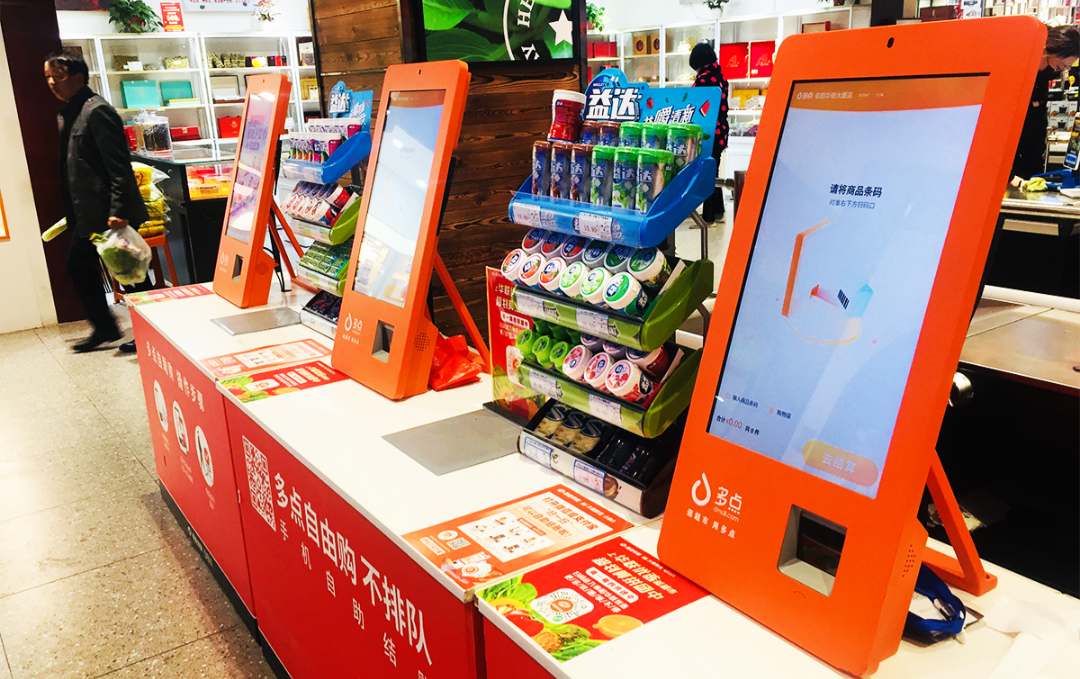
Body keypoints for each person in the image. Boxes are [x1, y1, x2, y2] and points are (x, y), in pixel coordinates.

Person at [45, 50, 149, 353]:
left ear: (79, 77)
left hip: (107, 211)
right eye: (48, 77)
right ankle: (106, 327)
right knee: (101, 268)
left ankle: (149, 330)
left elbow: (119, 166)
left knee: (131, 273)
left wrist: (119, 210)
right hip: (88, 212)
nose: (51, 83)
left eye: (58, 76)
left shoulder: (97, 111)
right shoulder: (69, 113)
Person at [1011, 25, 1080, 182]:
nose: (1058, 71)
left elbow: (1037, 129)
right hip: (1006, 169)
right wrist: (1009, 176)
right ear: (1045, 52)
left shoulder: (1041, 80)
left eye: (1065, 68)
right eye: (1059, 66)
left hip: (1025, 168)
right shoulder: (1015, 75)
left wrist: (1036, 176)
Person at [690, 41, 729, 223]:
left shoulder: (703, 79)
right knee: (714, 169)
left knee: (707, 172)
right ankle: (718, 210)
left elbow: (696, 106)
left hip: (708, 132)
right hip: (720, 131)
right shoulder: (721, 76)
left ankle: (708, 216)